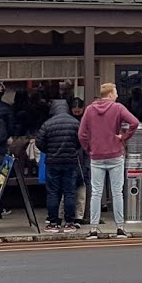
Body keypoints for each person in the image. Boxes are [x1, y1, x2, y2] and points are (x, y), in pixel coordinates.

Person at [78, 83, 140, 239]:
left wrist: (89, 148)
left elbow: (81, 134)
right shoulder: (118, 108)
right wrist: (123, 137)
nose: (117, 95)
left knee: (96, 193)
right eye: (116, 92)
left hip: (96, 155)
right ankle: (119, 227)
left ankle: (93, 228)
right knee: (117, 192)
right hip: (115, 153)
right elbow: (134, 123)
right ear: (110, 94)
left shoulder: (90, 110)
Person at [35, 94, 81, 233]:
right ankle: (70, 222)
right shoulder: (75, 123)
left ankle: (53, 222)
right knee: (70, 192)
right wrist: (73, 150)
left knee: (53, 193)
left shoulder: (48, 124)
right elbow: (81, 141)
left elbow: (39, 143)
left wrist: (49, 151)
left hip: (53, 161)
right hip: (71, 161)